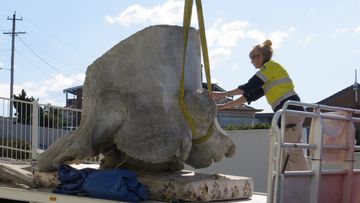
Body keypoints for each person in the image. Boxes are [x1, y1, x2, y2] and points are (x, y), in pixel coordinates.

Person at [212, 39, 309, 171]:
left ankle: (302, 185)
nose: (251, 61)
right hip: (287, 112)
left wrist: (222, 95)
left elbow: (248, 87)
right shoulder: (268, 75)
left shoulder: (270, 68)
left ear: (261, 57)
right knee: (286, 150)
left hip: (289, 111)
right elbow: (248, 96)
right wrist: (223, 107)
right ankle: (289, 184)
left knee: (292, 151)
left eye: (252, 57)